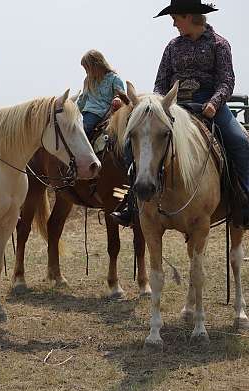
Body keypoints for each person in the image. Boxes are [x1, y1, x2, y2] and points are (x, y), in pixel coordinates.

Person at [112, 0, 249, 227]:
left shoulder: (219, 44)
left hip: (210, 105)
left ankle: (244, 198)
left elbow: (226, 80)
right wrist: (157, 104)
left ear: (189, 16)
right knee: (132, 140)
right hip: (174, 105)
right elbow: (160, 83)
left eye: (175, 18)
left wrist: (214, 103)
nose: (174, 24)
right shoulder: (172, 47)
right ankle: (133, 200)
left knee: (241, 141)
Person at [76, 50, 125, 139]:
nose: (86, 72)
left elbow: (121, 97)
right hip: (85, 113)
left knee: (82, 130)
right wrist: (73, 110)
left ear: (96, 65)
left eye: (88, 69)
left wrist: (117, 99)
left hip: (100, 113)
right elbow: (83, 98)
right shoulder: (88, 80)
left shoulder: (114, 79)